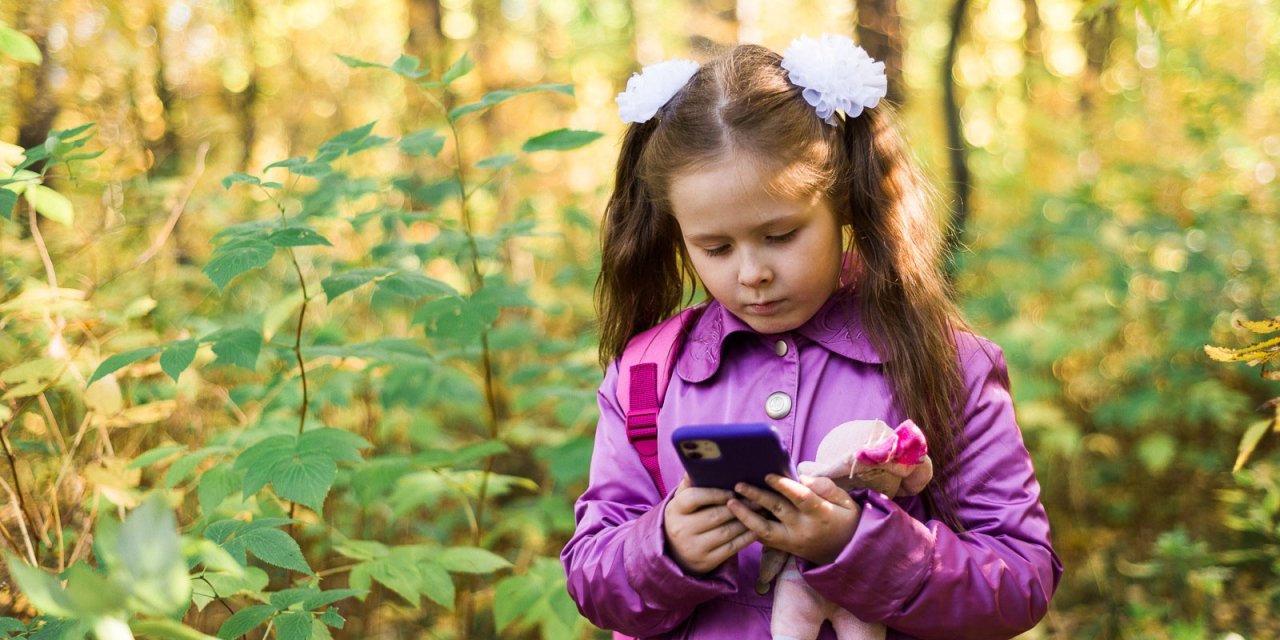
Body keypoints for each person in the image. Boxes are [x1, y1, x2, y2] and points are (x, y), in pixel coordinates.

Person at [561, 34, 1062, 640]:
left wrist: (858, 544)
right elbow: (591, 577)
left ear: (843, 203)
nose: (752, 273)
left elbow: (1021, 581)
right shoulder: (648, 374)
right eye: (715, 248)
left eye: (780, 235)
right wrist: (664, 547)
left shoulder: (947, 363)